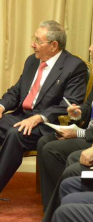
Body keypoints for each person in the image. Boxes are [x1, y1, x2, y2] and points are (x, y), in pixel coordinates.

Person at [0, 20, 87, 220]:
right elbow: (16, 91)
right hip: (22, 116)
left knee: (16, 134)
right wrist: (0, 107)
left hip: (46, 125)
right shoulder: (32, 61)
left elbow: (70, 105)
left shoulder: (75, 66)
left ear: (54, 45)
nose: (32, 44)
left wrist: (39, 117)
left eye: (38, 40)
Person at [37, 43, 93, 216]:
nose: (89, 48)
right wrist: (76, 113)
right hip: (88, 134)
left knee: (57, 152)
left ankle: (59, 210)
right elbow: (88, 107)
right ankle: (51, 206)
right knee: (44, 142)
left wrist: (78, 132)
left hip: (89, 138)